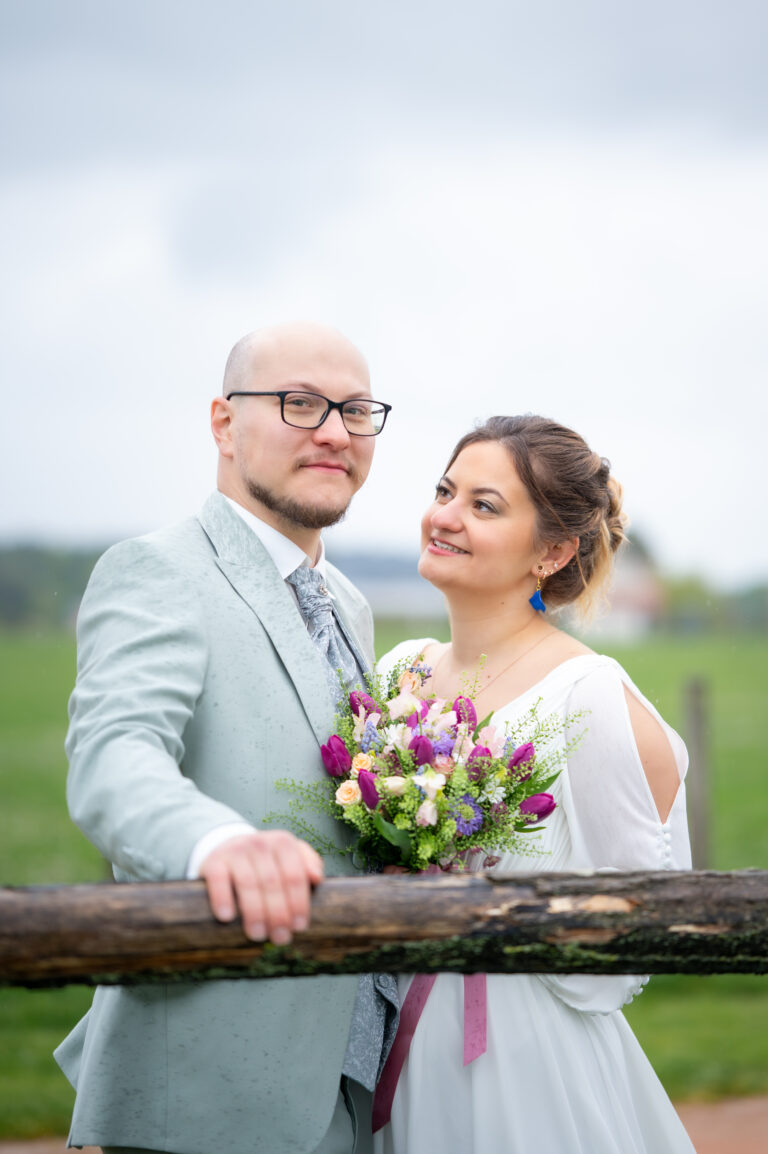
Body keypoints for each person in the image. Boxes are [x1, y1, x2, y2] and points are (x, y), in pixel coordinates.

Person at [54, 322, 398, 1154]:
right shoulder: (158, 570)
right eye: (300, 403)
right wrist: (216, 843)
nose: (334, 432)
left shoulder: (349, 604)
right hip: (207, 1087)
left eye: (356, 410)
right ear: (223, 423)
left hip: (354, 1086)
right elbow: (114, 753)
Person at [372, 414, 697, 1154]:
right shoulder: (400, 671)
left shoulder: (587, 695)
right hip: (389, 1033)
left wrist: (485, 926)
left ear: (552, 552)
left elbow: (641, 923)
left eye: (484, 506)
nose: (445, 516)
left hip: (519, 1059)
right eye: (445, 492)